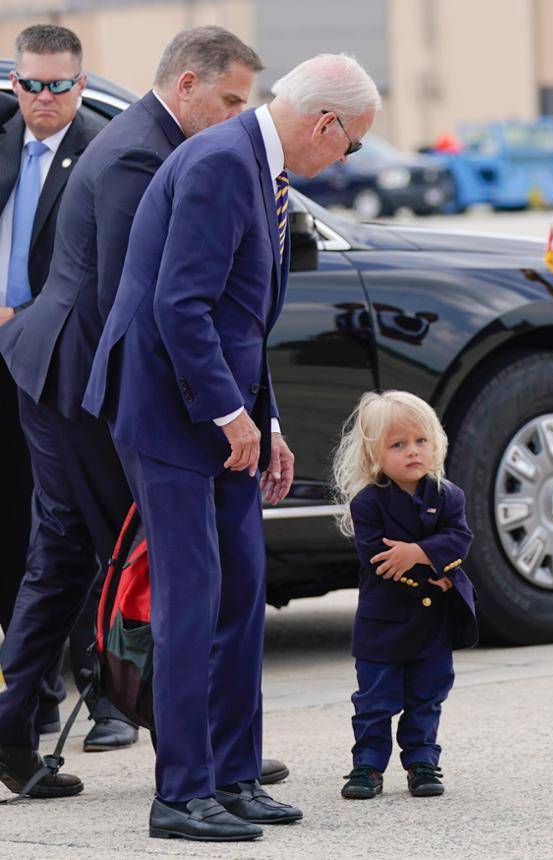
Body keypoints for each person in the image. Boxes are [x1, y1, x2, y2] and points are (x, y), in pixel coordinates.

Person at [83, 53, 380, 842]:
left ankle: (234, 776)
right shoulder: (220, 163)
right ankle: (181, 795)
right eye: (350, 146)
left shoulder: (260, 167)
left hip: (215, 413)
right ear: (326, 124)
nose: (345, 161)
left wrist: (268, 421)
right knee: (192, 600)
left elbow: (238, 320)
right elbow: (181, 307)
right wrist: (227, 414)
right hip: (165, 411)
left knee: (242, 592)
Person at [0, 26, 286, 798]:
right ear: (187, 85)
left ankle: (12, 733)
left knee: (65, 557)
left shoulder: (150, 138)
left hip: (60, 367)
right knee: (155, 560)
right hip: (78, 374)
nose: (236, 118)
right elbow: (136, 301)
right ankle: (206, 751)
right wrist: (185, 412)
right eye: (228, 100)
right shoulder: (141, 153)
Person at [0, 24, 108, 739]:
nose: (45, 98)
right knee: (15, 524)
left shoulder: (105, 151)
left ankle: (108, 698)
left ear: (80, 81)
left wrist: (28, 316)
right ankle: (30, 698)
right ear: (16, 83)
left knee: (74, 524)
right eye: (32, 84)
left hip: (59, 363)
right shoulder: (3, 140)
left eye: (59, 85)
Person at [332, 390, 478, 801]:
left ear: (435, 445)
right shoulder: (369, 503)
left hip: (434, 623)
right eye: (398, 445)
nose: (412, 452)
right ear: (375, 455)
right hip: (385, 621)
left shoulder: (449, 497)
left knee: (428, 694)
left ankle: (422, 761)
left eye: (420, 442)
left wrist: (419, 553)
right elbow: (376, 556)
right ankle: (367, 766)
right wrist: (432, 566)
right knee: (374, 698)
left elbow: (459, 539)